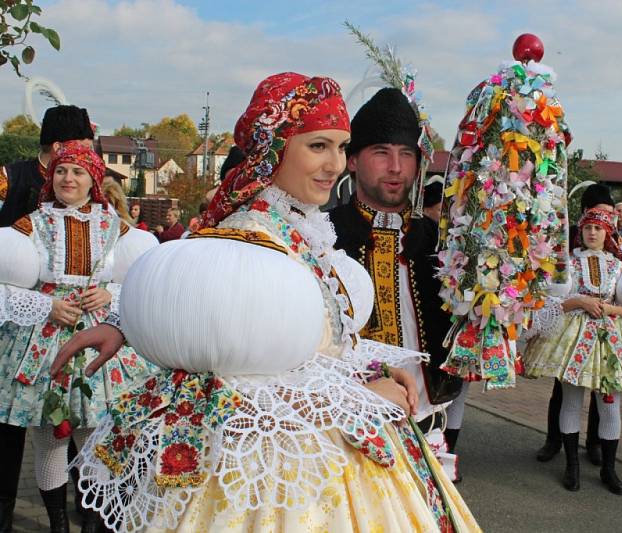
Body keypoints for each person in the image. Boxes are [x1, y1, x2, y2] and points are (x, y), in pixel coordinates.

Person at [52, 72, 479, 533]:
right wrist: (352, 399)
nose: (334, 164)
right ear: (273, 148)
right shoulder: (251, 236)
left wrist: (363, 368)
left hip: (322, 449)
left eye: (340, 146)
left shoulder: (302, 229)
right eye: (318, 146)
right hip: (277, 474)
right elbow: (229, 386)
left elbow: (303, 346)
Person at [0, 142, 158, 532]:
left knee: (95, 437)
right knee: (49, 437)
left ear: (93, 180)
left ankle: (93, 520)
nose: (67, 179)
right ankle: (57, 525)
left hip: (99, 339)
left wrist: (110, 294)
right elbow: (4, 284)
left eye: (77, 172)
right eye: (60, 171)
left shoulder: (116, 227)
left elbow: (143, 280)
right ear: (50, 177)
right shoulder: (30, 224)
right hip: (44, 340)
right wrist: (44, 304)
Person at [328, 87, 464, 458]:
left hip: (428, 414)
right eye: (381, 153)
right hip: (345, 419)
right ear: (352, 161)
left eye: (406, 155)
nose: (395, 167)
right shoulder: (323, 235)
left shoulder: (441, 244)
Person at [521, 208, 622, 495]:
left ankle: (609, 468)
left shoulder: (620, 267)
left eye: (598, 228)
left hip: (610, 337)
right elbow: (552, 302)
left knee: (610, 404)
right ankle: (572, 465)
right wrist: (581, 302)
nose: (593, 233)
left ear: (608, 232)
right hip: (573, 336)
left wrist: (608, 308)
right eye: (588, 228)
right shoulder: (567, 263)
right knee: (571, 401)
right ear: (580, 231)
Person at [538, 183, 619, 466]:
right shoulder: (569, 246)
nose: (599, 225)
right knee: (565, 389)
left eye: (607, 216)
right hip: (573, 329)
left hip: (606, 330)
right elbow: (558, 290)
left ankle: (595, 443)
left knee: (604, 389)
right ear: (585, 214)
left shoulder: (616, 256)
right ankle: (554, 441)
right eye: (597, 215)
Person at [0, 105, 94, 227]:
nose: (90, 156)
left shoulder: (91, 184)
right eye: (84, 150)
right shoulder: (8, 178)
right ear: (58, 148)